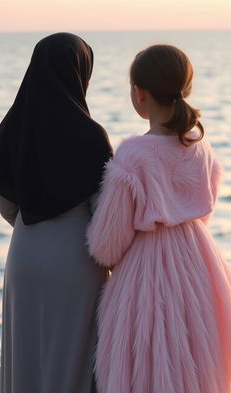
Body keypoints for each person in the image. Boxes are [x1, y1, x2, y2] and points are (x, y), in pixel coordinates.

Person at [87, 44, 231, 393]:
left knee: (148, 363)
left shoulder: (134, 154)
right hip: (199, 260)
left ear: (140, 94)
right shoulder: (200, 143)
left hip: (147, 270)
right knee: (198, 357)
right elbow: (206, 208)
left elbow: (107, 245)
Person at [0, 33, 113, 393]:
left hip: (24, 251)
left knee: (26, 355)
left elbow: (6, 201)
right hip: (75, 258)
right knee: (73, 360)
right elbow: (103, 212)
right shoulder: (91, 136)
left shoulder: (13, 127)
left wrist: (34, 225)